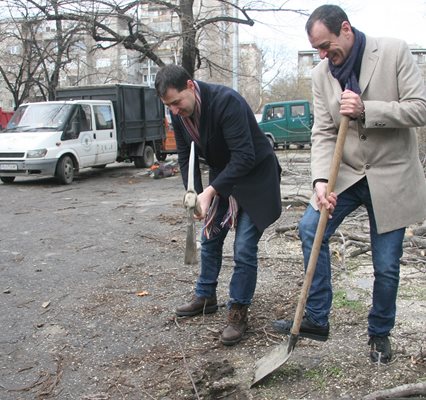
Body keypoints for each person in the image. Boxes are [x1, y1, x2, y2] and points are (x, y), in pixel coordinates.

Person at [273, 4, 426, 364]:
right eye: (318, 50)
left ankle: (379, 334)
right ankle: (317, 317)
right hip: (348, 176)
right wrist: (321, 180)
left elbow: (420, 108)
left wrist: (366, 110)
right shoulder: (321, 75)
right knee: (311, 228)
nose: (324, 55)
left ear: (345, 28)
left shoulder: (393, 51)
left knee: (386, 265)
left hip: (391, 177)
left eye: (327, 46)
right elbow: (323, 131)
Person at [154, 64, 282, 346]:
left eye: (176, 102)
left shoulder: (226, 102)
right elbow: (186, 154)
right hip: (224, 178)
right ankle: (206, 296)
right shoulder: (180, 113)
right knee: (209, 238)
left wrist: (210, 191)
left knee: (244, 247)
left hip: (255, 178)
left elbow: (245, 156)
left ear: (190, 85)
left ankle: (237, 310)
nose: (174, 110)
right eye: (168, 106)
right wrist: (195, 195)